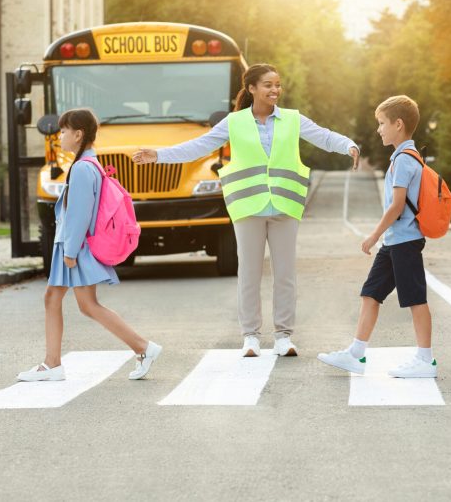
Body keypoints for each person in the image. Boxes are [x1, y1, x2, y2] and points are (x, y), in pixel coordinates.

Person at [133, 64, 359, 358]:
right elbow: (198, 147)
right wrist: (158, 155)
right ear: (251, 88)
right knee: (249, 274)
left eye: (277, 84)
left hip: (284, 206)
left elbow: (324, 136)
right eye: (267, 85)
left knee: (286, 274)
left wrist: (349, 145)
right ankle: (251, 336)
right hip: (247, 207)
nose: (274, 90)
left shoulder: (292, 119)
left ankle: (283, 336)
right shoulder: (234, 122)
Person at [18, 108, 161, 382]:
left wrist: (70, 252)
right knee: (69, 301)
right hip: (73, 245)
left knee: (83, 304)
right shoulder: (87, 164)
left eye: (63, 131)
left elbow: (80, 213)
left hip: (75, 247)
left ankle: (143, 347)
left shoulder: (83, 168)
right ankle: (54, 364)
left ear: (78, 134)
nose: (60, 136)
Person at [318, 95, 437, 378]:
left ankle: (426, 360)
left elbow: (397, 206)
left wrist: (373, 236)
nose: (379, 129)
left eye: (382, 123)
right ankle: (355, 355)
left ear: (398, 124)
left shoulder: (405, 161)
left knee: (415, 299)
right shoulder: (402, 157)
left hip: (404, 242)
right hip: (395, 242)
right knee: (370, 294)